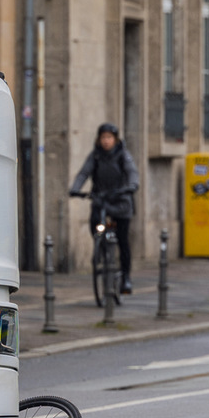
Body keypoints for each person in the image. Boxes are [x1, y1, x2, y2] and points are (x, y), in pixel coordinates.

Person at [69, 122, 140, 294]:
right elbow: (83, 173)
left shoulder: (123, 155)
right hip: (101, 200)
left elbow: (132, 172)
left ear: (115, 140)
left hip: (120, 201)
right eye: (103, 138)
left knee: (123, 241)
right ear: (99, 140)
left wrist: (131, 186)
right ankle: (101, 248)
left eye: (109, 138)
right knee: (95, 224)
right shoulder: (95, 156)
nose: (106, 141)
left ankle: (126, 277)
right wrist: (75, 189)